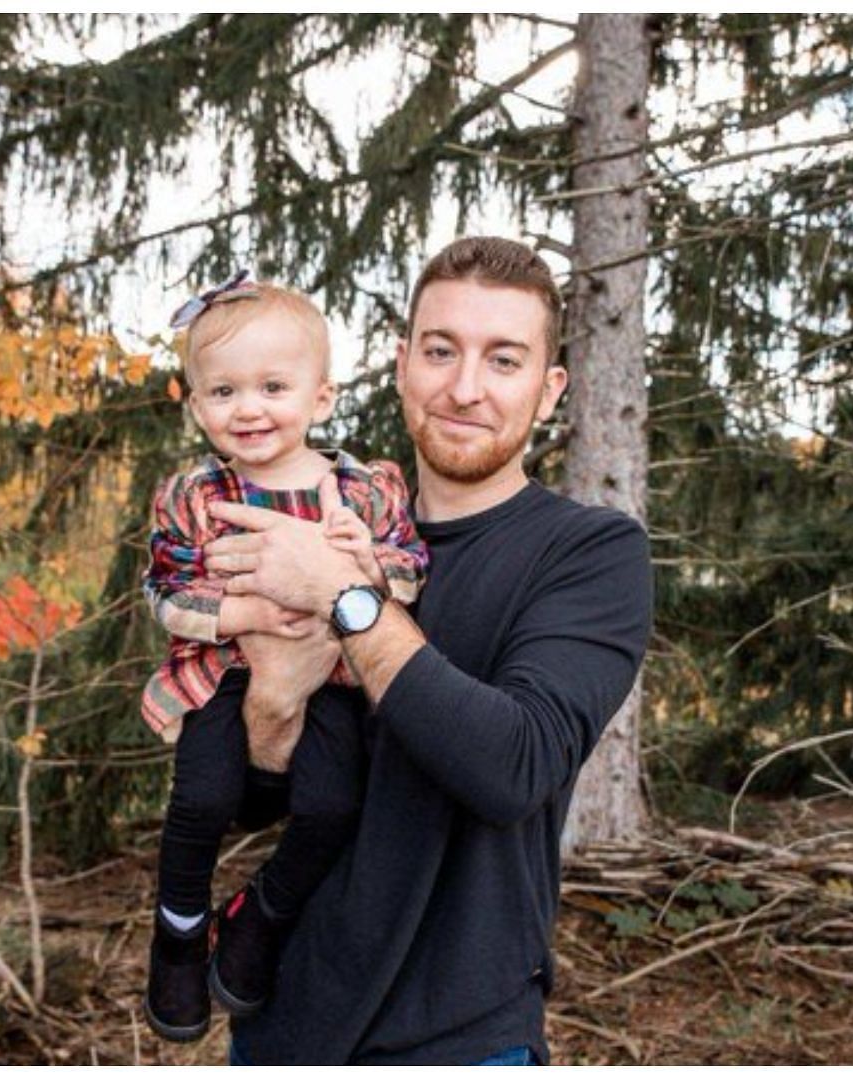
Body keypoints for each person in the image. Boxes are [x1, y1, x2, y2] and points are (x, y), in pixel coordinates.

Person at [204, 237, 653, 1065]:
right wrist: (271, 704)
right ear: (403, 363)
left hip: (462, 1037)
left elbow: (512, 765)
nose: (465, 387)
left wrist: (344, 600)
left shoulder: (589, 554)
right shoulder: (315, 522)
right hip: (285, 1030)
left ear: (549, 391)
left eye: (504, 359)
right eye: (441, 350)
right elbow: (249, 802)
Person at [141, 276, 428, 1041]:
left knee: (334, 805)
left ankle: (257, 914)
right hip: (227, 676)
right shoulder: (196, 496)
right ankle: (177, 931)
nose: (250, 407)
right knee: (199, 800)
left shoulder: (361, 492)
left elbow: (410, 568)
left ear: (322, 396)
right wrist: (246, 613)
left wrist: (365, 565)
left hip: (334, 678)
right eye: (225, 390)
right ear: (199, 406)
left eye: (274, 386)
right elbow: (165, 591)